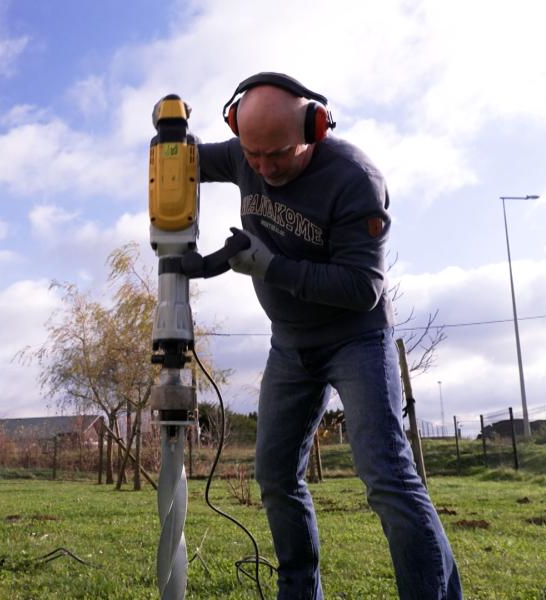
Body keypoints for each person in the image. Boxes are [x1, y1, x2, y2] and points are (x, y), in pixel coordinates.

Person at [197, 72, 462, 600]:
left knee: (386, 476)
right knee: (274, 477)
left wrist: (271, 266)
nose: (264, 169)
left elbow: (362, 287)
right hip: (290, 345)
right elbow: (185, 160)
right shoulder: (245, 154)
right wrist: (168, 136)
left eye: (277, 155)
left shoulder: (354, 179)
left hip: (356, 340)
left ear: (314, 129)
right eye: (252, 155)